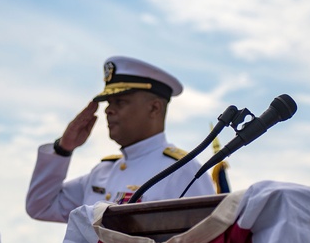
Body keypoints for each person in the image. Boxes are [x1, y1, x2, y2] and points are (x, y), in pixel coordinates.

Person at [26, 55, 215, 221]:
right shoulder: (101, 172)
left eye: (120, 101)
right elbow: (40, 207)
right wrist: (63, 149)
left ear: (154, 108)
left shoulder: (183, 172)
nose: (108, 110)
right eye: (109, 103)